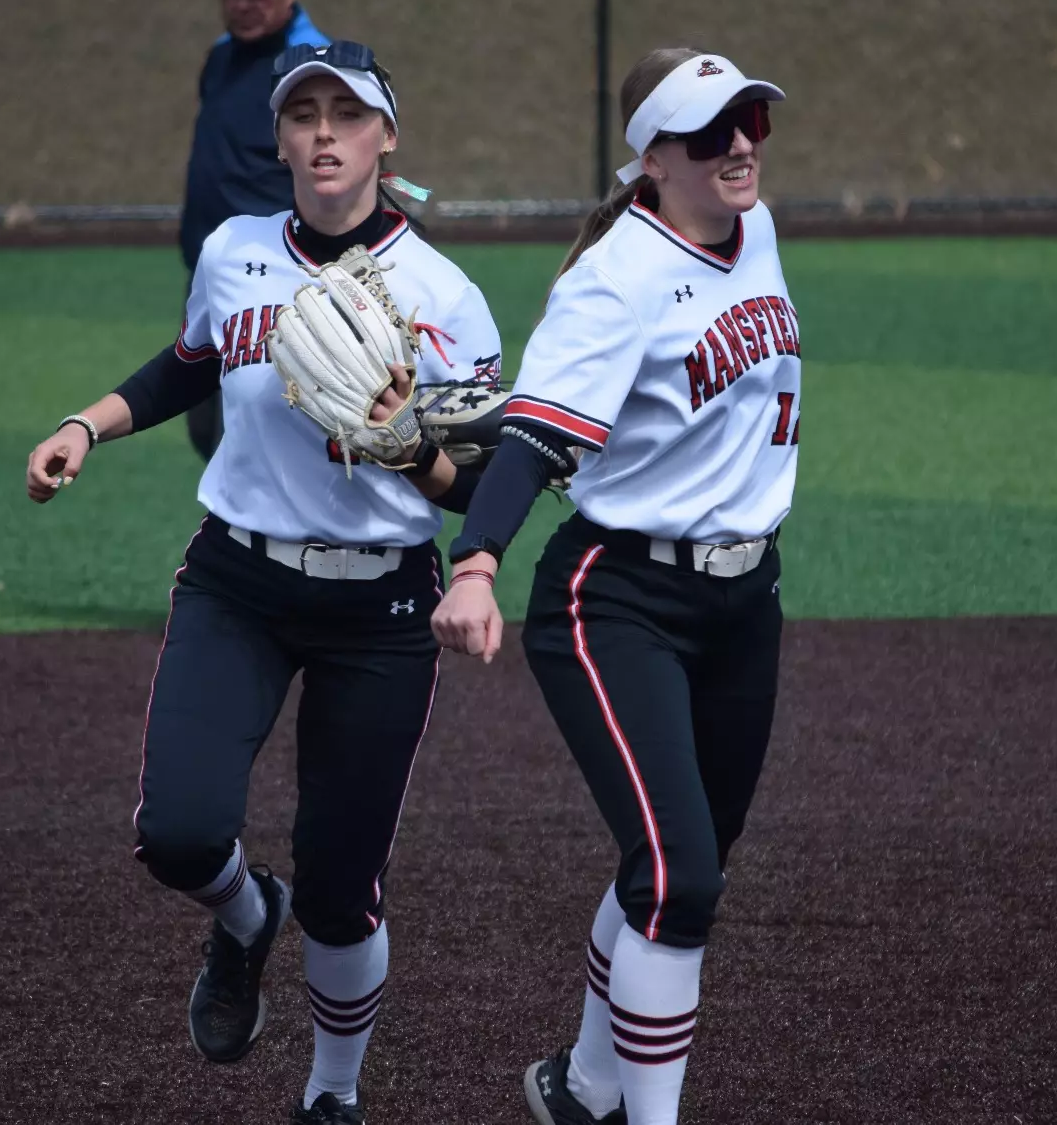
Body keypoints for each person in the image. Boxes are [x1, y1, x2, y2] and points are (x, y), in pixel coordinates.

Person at [26, 42, 503, 1125]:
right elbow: (190, 360)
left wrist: (403, 449)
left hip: (378, 608)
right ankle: (245, 915)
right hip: (237, 582)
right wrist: (84, 425)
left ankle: (331, 1096)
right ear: (280, 139)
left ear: (388, 138)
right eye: (305, 114)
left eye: (348, 114)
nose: (324, 132)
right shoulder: (235, 250)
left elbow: (476, 489)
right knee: (180, 835)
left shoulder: (444, 295)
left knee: (342, 894)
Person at [431, 48, 798, 1125]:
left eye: (748, 122)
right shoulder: (614, 279)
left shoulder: (756, 231)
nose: (737, 145)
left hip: (744, 603)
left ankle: (582, 1085)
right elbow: (536, 442)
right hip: (616, 600)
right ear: (651, 158)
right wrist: (477, 563)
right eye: (705, 132)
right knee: (679, 880)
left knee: (680, 871)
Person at [180, 0, 330, 462]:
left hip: (279, 283)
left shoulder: (313, 67)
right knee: (202, 421)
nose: (243, 5)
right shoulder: (220, 57)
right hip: (212, 274)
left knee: (249, 433)